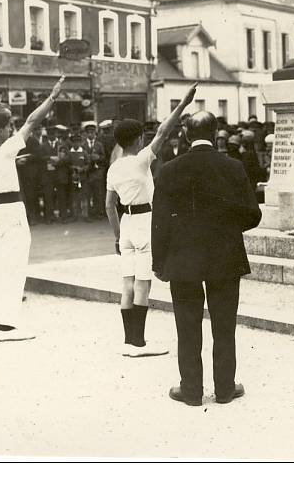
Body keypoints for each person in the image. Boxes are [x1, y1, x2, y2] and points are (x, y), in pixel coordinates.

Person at [152, 111, 262, 406]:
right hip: (224, 255)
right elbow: (253, 214)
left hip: (182, 258)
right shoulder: (233, 167)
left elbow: (159, 221)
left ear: (186, 135)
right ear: (215, 134)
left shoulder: (169, 169)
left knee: (187, 326)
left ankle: (191, 391)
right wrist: (224, 227)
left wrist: (159, 262)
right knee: (224, 326)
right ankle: (225, 390)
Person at [104, 82, 197, 357]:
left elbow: (110, 207)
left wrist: (117, 236)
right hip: (146, 222)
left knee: (127, 282)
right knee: (143, 283)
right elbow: (164, 131)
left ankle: (128, 341)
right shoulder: (141, 160)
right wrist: (182, 104)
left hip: (127, 225)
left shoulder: (114, 168)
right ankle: (139, 343)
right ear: (138, 140)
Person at [0, 75, 66, 342]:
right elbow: (31, 122)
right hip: (10, 211)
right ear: (1, 131)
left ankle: (1, 323)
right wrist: (52, 97)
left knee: (2, 268)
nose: (11, 129)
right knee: (13, 269)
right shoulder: (4, 151)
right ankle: (7, 327)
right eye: (8, 126)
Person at [81, 122, 106, 220]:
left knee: (98, 193)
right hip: (87, 173)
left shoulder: (99, 144)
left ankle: (99, 213)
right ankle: (89, 214)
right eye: (89, 132)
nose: (91, 134)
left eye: (92, 132)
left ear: (95, 133)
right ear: (86, 133)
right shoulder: (82, 144)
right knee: (88, 193)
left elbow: (104, 157)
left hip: (97, 172)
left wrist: (98, 157)